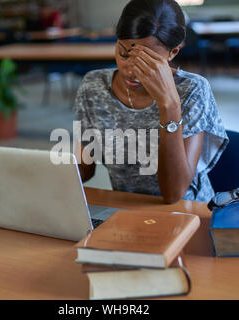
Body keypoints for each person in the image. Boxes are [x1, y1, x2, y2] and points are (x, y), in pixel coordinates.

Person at [73, 0, 228, 203]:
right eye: (124, 54)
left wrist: (169, 105)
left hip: (187, 213)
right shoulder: (94, 86)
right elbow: (84, 168)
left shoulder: (192, 90)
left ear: (173, 53)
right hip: (127, 211)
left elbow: (174, 194)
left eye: (147, 63)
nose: (130, 70)